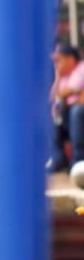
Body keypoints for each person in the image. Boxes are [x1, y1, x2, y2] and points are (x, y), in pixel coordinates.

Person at [51, 42, 84, 172]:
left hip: (79, 111)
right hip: (69, 110)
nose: (57, 65)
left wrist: (65, 95)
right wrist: (58, 76)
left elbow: (75, 90)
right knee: (56, 113)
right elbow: (54, 97)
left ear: (70, 59)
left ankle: (78, 161)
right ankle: (59, 159)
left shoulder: (81, 68)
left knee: (76, 112)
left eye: (59, 60)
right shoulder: (64, 76)